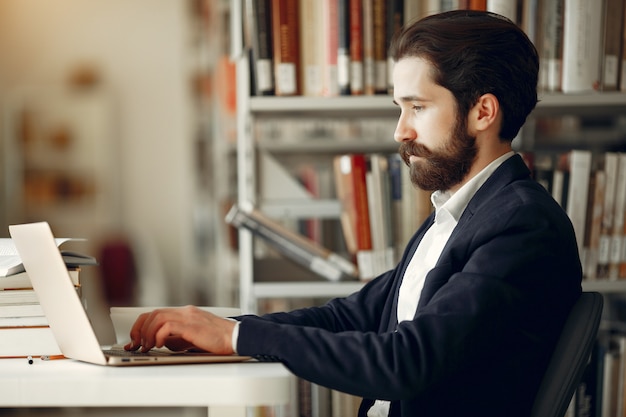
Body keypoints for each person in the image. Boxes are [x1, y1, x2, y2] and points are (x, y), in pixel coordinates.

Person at [126, 10, 582, 417]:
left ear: (483, 111)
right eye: (399, 109)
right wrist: (221, 329)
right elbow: (350, 317)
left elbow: (408, 362)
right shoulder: (460, 213)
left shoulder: (521, 225)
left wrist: (236, 340)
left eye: (418, 108)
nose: (400, 130)